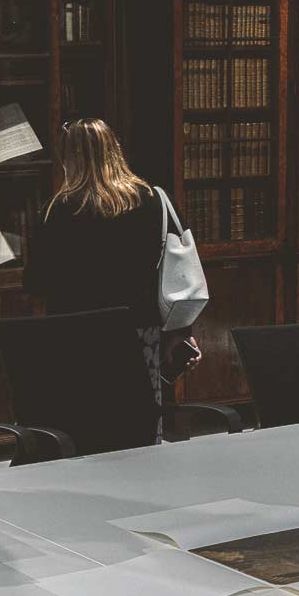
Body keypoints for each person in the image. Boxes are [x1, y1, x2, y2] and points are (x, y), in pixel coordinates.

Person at [23, 117, 201, 422]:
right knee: (140, 423)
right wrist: (182, 331)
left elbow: (35, 282)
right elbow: (177, 268)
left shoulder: (57, 211)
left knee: (86, 425)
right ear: (114, 151)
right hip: (139, 333)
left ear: (68, 159)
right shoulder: (154, 200)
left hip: (76, 338)